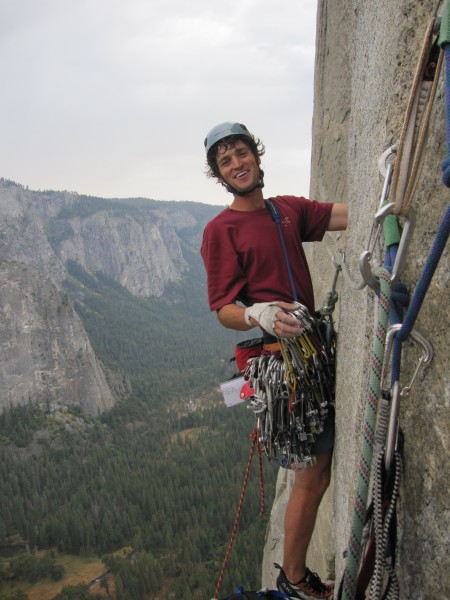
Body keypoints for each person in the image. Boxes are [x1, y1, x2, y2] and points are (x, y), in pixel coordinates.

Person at [200, 122, 348, 599]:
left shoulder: (288, 211)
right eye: (225, 161)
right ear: (219, 175)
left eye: (241, 153)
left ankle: (293, 574)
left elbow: (349, 214)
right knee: (313, 472)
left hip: (306, 352)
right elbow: (223, 308)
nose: (237, 164)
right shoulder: (220, 230)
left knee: (314, 469)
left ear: (256, 158)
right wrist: (258, 312)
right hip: (277, 363)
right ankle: (295, 577)